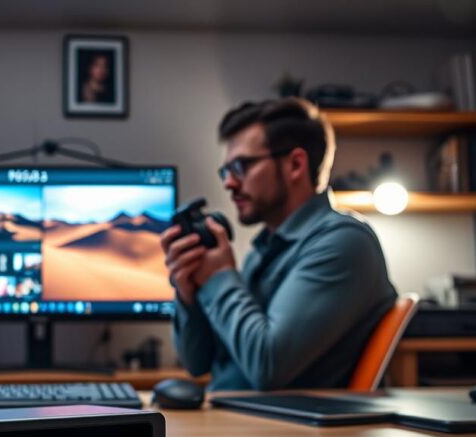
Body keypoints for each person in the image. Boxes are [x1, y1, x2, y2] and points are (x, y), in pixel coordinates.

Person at [161, 98, 396, 390]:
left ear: (295, 164)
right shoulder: (266, 248)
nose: (229, 183)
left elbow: (267, 367)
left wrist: (219, 277)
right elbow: (197, 363)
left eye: (240, 166)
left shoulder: (344, 243)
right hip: (239, 419)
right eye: (225, 172)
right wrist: (189, 295)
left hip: (284, 431)